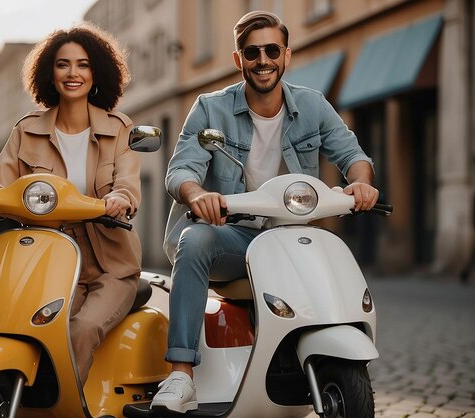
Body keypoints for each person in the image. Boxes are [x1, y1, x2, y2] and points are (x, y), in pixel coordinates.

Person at [151, 10, 380, 414]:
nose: (263, 60)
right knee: (195, 238)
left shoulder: (312, 105)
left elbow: (351, 154)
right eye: (252, 52)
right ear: (238, 59)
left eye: (272, 50)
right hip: (234, 236)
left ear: (286, 55)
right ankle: (181, 373)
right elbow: (182, 168)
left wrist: (360, 182)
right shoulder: (209, 109)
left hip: (291, 236)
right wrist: (196, 194)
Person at [0, 23, 142, 385]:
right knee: (10, 321)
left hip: (108, 266)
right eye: (63, 64)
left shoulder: (119, 128)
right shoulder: (27, 129)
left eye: (83, 65)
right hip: (45, 261)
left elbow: (128, 183)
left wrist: (120, 198)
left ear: (97, 71)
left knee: (80, 330)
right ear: (48, 73)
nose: (73, 73)